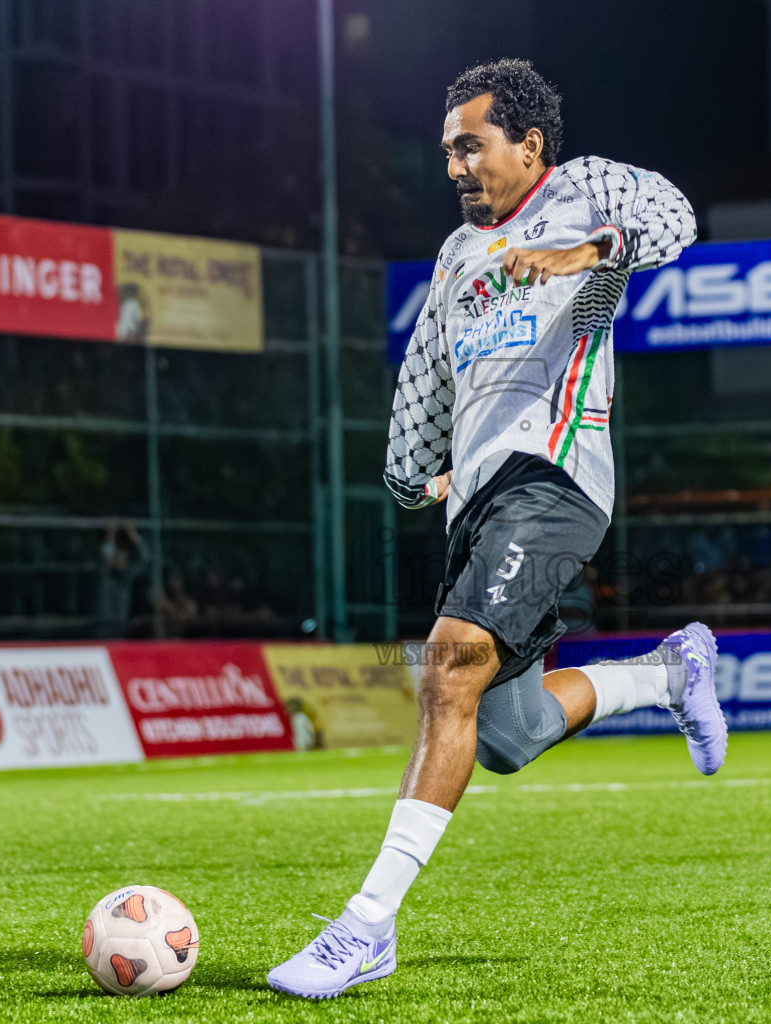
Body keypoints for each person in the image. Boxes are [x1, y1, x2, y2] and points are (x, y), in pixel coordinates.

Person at [266, 59, 719, 1000]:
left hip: (555, 476)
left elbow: (675, 217)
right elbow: (427, 374)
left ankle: (366, 927)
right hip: (475, 498)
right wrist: (406, 473)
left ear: (529, 145)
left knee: (448, 663)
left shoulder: (584, 191)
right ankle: (667, 672)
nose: (456, 166)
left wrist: (588, 253)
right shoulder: (455, 256)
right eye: (446, 152)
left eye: (470, 146)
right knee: (504, 730)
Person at [95, 519, 150, 638]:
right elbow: (106, 559)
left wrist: (133, 535)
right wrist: (111, 535)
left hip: (122, 631)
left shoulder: (128, 575)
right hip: (103, 630)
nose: (120, 560)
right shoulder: (106, 574)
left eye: (123, 557)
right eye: (117, 556)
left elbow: (146, 560)